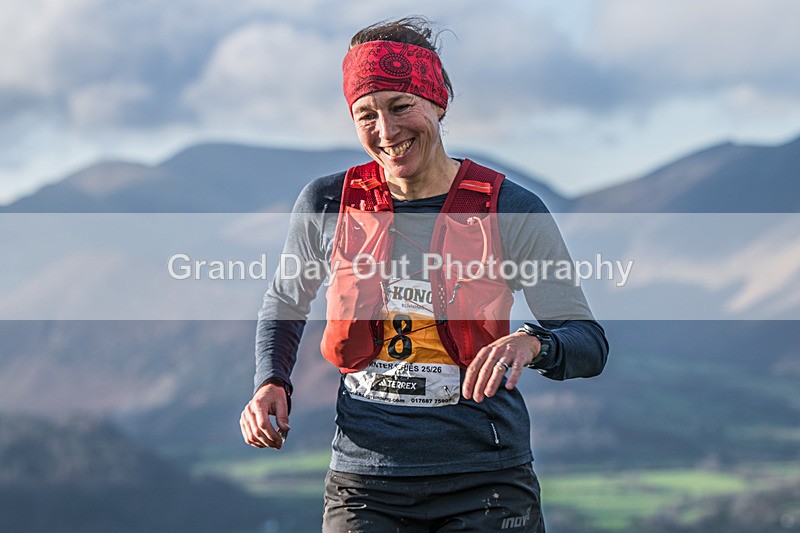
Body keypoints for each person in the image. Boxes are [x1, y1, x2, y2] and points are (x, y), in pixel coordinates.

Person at [240, 16, 608, 532]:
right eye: (365, 114)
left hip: (488, 481)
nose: (386, 132)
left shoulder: (510, 208)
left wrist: (531, 343)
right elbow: (285, 300)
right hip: (365, 483)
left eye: (400, 106)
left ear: (438, 102)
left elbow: (588, 343)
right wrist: (270, 381)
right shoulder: (327, 202)